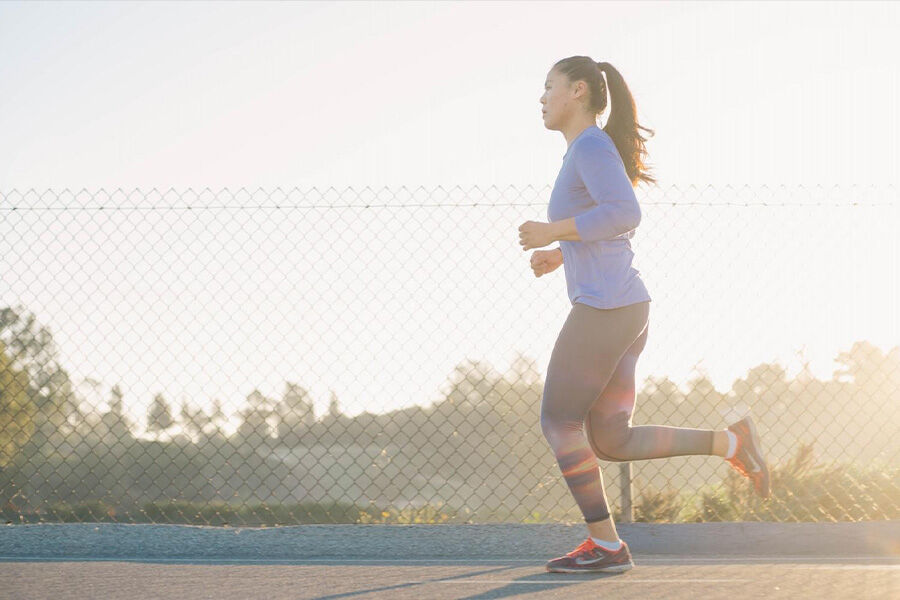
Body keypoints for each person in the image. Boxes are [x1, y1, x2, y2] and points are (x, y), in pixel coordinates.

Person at [518, 56, 770, 574]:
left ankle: (607, 547)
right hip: (624, 307)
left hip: (608, 309)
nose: (541, 98)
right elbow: (609, 225)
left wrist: (553, 231)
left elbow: (626, 213)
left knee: (559, 421)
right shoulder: (584, 150)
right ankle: (733, 442)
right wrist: (561, 253)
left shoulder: (589, 145)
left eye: (549, 87)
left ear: (579, 91)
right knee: (611, 439)